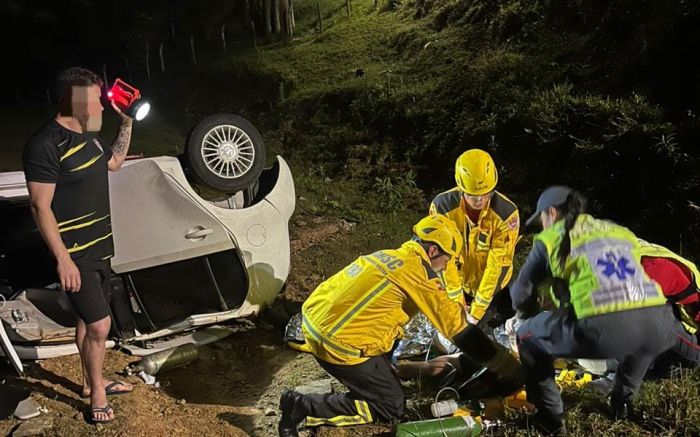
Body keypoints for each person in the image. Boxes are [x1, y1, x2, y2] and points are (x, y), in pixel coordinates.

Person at [277, 215, 520, 437]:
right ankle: (302, 406)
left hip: (314, 322)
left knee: (391, 344)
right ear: (433, 250)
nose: (446, 267)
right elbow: (460, 331)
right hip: (337, 343)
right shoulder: (419, 275)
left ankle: (376, 375)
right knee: (391, 407)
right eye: (447, 260)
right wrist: (509, 367)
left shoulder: (391, 255)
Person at [511, 186, 699, 436]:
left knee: (526, 336)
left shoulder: (551, 238)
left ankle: (550, 419)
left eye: (543, 219)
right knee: (645, 329)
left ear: (552, 213)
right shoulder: (618, 233)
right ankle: (621, 403)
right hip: (657, 326)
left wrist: (523, 317)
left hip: (614, 327)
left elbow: (521, 292)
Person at [22, 67, 135, 424]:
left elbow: (114, 163)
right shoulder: (45, 144)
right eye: (94, 98)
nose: (100, 105)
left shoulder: (90, 137)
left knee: (88, 320)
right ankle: (97, 396)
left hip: (102, 246)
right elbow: (40, 207)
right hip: (75, 253)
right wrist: (63, 260)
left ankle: (90, 383)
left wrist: (127, 124)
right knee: (101, 325)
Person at [430, 149, 519, 327]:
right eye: (472, 195)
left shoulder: (506, 214)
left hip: (493, 285)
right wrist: (457, 300)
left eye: (486, 194)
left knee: (490, 328)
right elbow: (444, 258)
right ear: (461, 189)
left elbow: (497, 265)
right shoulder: (442, 208)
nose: (479, 200)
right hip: (459, 280)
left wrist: (477, 311)